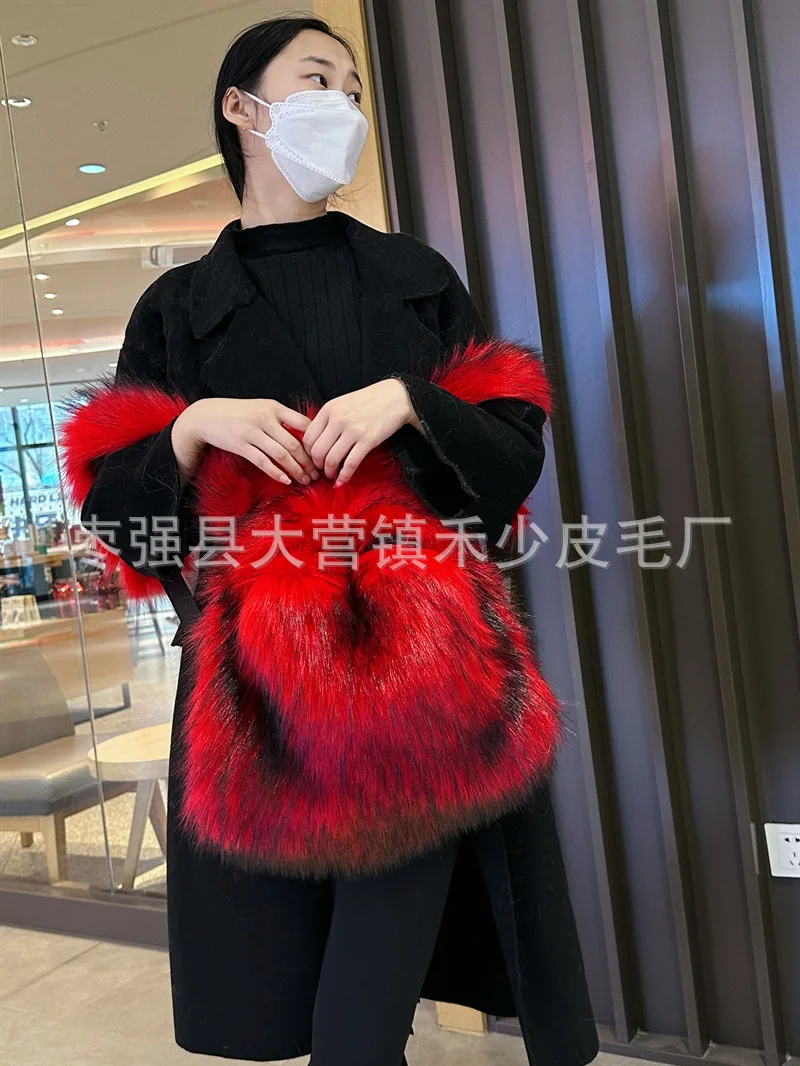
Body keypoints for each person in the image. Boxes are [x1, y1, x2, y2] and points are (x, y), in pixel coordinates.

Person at [62, 15, 599, 1066]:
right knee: (300, 975)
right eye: (318, 79)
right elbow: (119, 512)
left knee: (364, 999)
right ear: (242, 108)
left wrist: (413, 402)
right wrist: (189, 428)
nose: (344, 106)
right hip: (262, 690)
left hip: (423, 665)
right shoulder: (177, 309)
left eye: (353, 87)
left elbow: (508, 454)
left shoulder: (412, 276)